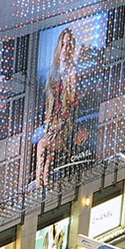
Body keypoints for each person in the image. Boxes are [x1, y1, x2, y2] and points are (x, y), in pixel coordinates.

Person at [35, 28, 81, 187]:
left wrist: (60, 124)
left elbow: (72, 103)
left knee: (42, 146)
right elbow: (49, 101)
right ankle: (43, 182)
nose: (65, 49)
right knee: (48, 155)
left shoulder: (72, 72)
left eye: (68, 45)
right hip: (51, 123)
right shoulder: (53, 70)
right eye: (63, 44)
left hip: (63, 125)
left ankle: (39, 182)